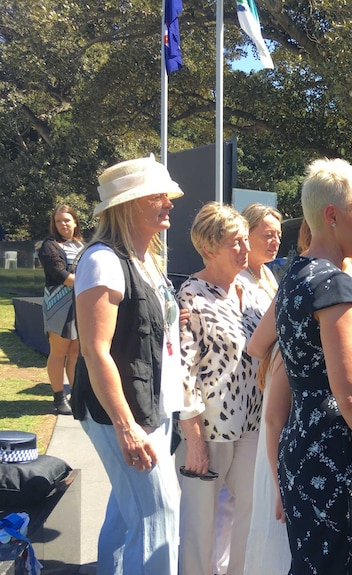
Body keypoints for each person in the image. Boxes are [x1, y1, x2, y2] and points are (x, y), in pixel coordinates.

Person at [271, 158, 352, 574]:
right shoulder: (333, 284)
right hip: (332, 455)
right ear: (332, 216)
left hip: (301, 446)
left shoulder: (294, 276)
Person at [71, 155, 184, 574]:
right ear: (128, 204)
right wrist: (126, 426)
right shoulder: (103, 260)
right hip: (127, 410)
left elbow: (147, 328)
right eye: (157, 195)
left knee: (127, 511)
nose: (169, 202)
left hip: (151, 405)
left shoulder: (144, 260)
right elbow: (95, 350)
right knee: (160, 514)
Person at [175, 202, 262, 575]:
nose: (245, 249)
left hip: (253, 427)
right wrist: (193, 439)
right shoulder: (192, 296)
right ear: (209, 248)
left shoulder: (249, 290)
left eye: (245, 241)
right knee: (200, 526)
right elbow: (183, 372)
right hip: (210, 430)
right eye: (235, 243)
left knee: (251, 513)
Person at [237, 203, 293, 575]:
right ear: (247, 235)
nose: (275, 241)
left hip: (264, 398)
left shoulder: (270, 278)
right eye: (267, 234)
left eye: (278, 235)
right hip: (237, 404)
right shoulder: (236, 280)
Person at [37, 204, 84, 415]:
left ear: (75, 221)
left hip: (80, 304)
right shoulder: (49, 246)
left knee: (74, 353)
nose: (63, 224)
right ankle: (58, 398)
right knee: (58, 352)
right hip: (58, 305)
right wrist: (91, 283)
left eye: (67, 220)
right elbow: (60, 275)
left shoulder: (81, 245)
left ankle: (76, 395)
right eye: (58, 221)